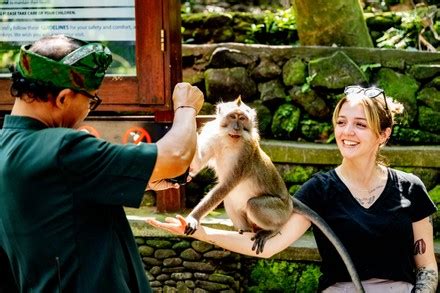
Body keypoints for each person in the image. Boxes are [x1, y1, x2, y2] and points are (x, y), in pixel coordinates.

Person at [148, 85, 438, 292]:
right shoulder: (319, 190)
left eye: (360, 124)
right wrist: (197, 229)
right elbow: (269, 247)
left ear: (383, 134)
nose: (347, 132)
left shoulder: (409, 188)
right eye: (341, 122)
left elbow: (427, 267)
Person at [0, 34, 204, 292]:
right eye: (91, 101)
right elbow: (175, 156)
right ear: (63, 98)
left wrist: (139, 179)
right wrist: (186, 108)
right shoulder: (62, 148)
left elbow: (56, 201)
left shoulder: (7, 148)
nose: (88, 110)